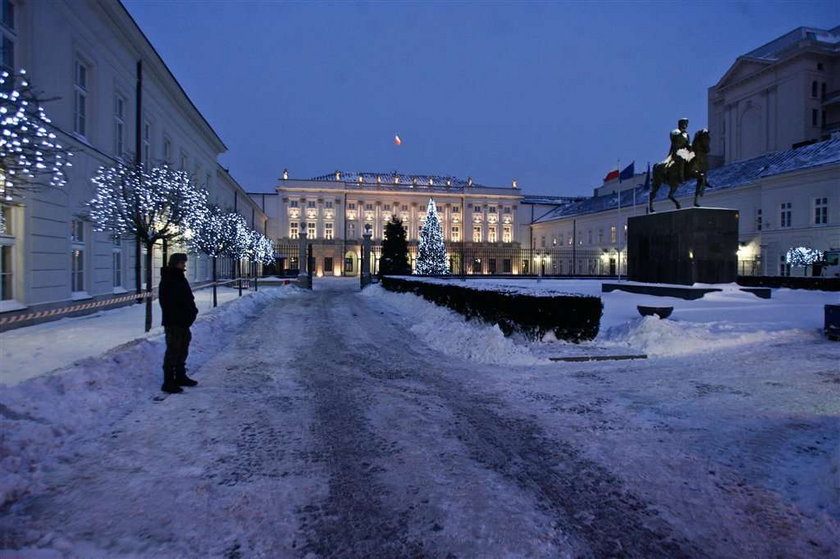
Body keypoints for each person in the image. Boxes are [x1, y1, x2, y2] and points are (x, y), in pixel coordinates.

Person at [159, 253, 199, 393]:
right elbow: (169, 302)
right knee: (173, 350)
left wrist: (191, 312)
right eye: (182, 262)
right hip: (174, 322)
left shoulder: (179, 277)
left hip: (183, 322)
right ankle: (168, 381)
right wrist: (183, 315)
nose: (184, 265)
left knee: (182, 349)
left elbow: (187, 297)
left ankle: (180, 376)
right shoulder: (169, 279)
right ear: (175, 263)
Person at [667, 118, 692, 183]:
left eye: (686, 124)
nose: (686, 125)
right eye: (684, 124)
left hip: (684, 151)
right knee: (681, 161)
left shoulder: (686, 134)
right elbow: (675, 142)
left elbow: (688, 143)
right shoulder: (675, 132)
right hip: (677, 151)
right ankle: (681, 178)